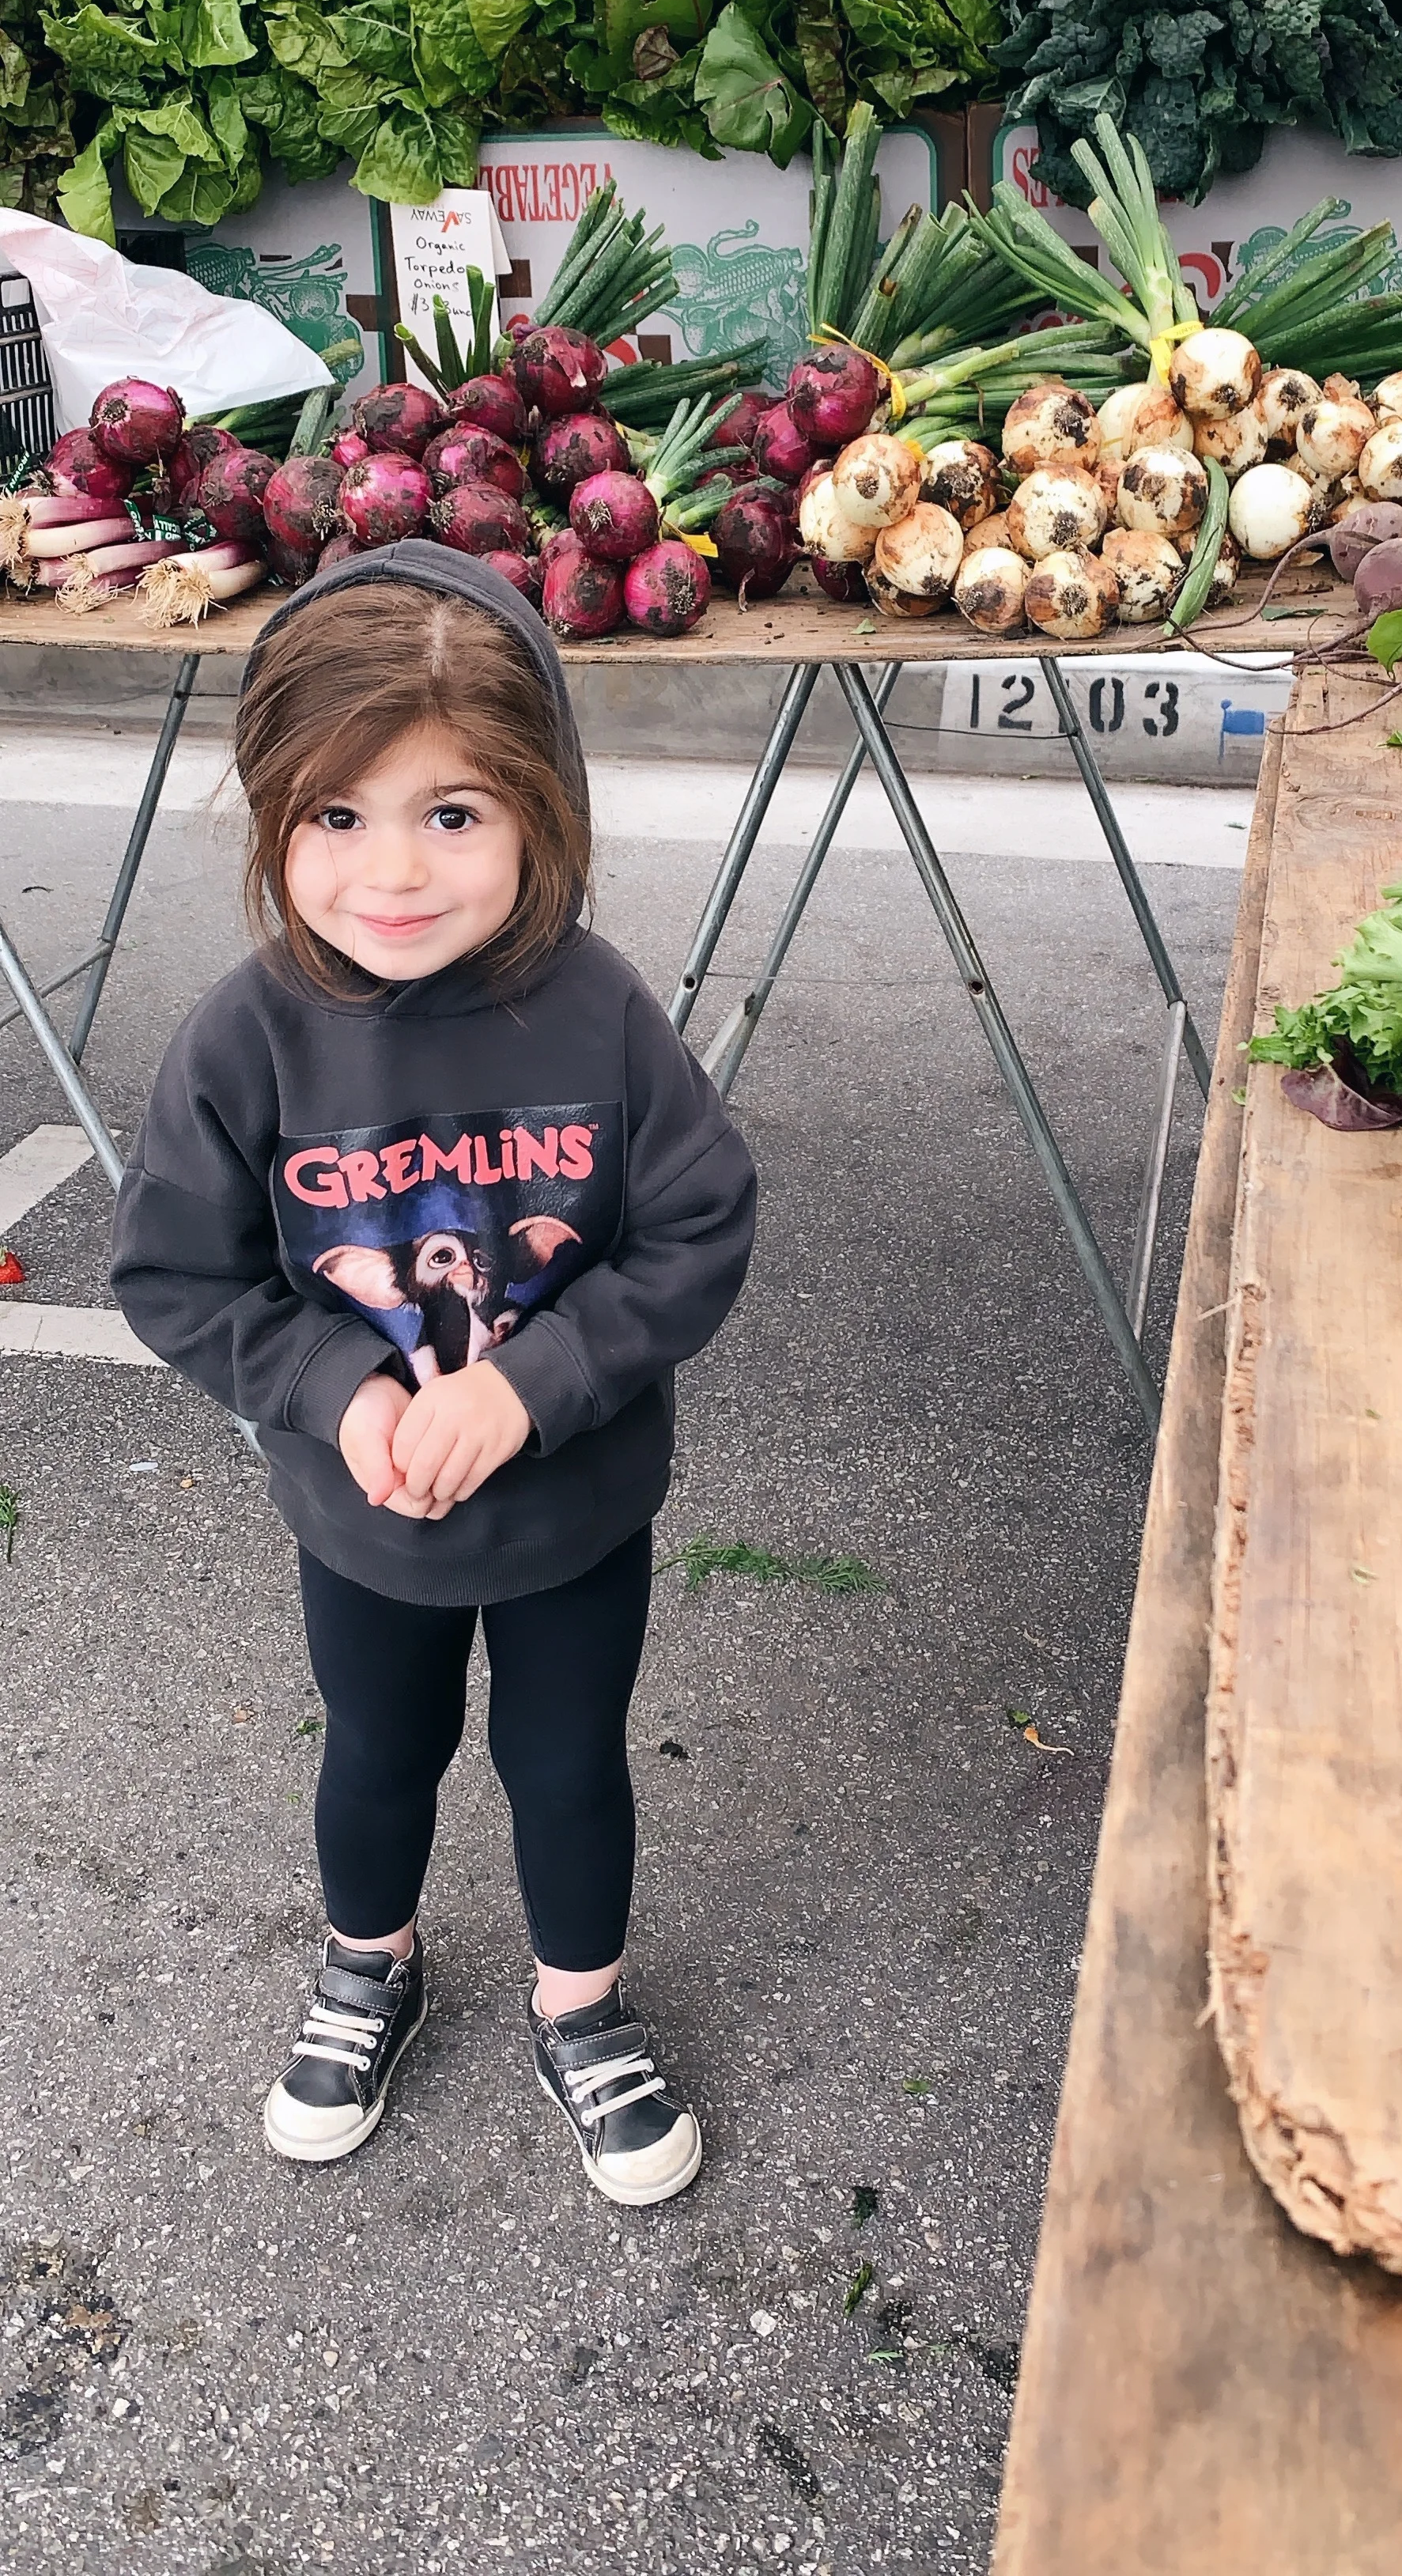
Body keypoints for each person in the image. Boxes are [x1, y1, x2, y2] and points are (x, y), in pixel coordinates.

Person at [111, 542, 757, 2207]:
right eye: (337, 816)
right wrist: (345, 1392)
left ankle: (583, 2006)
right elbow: (177, 1272)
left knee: (567, 1761)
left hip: (578, 1510)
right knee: (377, 1753)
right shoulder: (247, 1036)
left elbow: (697, 1226)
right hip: (365, 1519)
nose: (392, 870)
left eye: (452, 813)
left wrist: (531, 1386)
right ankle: (368, 1963)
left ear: (543, 813)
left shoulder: (598, 1011)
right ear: (274, 823)